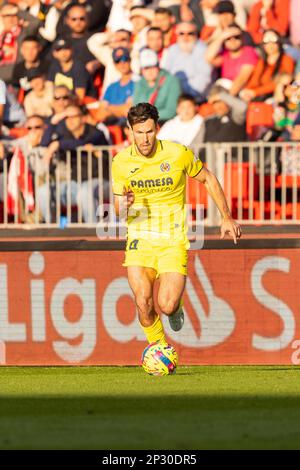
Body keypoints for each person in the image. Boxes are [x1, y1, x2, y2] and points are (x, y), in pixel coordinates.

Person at [112, 102, 241, 347]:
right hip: (140, 237)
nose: (145, 139)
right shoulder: (120, 162)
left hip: (172, 239)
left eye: (149, 131)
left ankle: (176, 307)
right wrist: (124, 204)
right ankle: (159, 349)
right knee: (143, 301)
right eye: (139, 133)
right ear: (130, 131)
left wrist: (226, 216)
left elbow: (208, 178)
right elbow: (118, 210)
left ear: (157, 128)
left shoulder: (177, 153)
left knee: (167, 305)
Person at [161, 21, 212, 102]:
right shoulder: (172, 49)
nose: (185, 37)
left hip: (195, 97)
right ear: (177, 35)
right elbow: (165, 74)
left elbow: (204, 79)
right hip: (174, 95)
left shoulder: (203, 50)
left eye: (190, 33)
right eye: (181, 33)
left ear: (196, 35)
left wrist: (185, 98)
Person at [240, 29, 294, 102]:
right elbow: (255, 79)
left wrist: (255, 92)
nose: (270, 45)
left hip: (275, 96)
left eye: (273, 42)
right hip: (259, 95)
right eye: (267, 43)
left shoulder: (286, 59)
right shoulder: (261, 61)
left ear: (279, 43)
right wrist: (249, 91)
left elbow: (282, 81)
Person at [205, 23, 258, 96]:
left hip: (240, 92)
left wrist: (227, 99)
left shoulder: (249, 52)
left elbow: (242, 78)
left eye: (236, 37)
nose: (232, 40)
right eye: (228, 38)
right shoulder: (225, 54)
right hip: (224, 90)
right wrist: (221, 37)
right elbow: (209, 58)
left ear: (242, 38)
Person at [133, 49, 181, 123]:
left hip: (166, 123)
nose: (150, 71)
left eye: (153, 66)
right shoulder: (139, 84)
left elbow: (171, 111)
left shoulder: (172, 81)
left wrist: (147, 116)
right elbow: (136, 109)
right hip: (144, 123)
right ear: (141, 70)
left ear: (158, 66)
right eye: (146, 68)